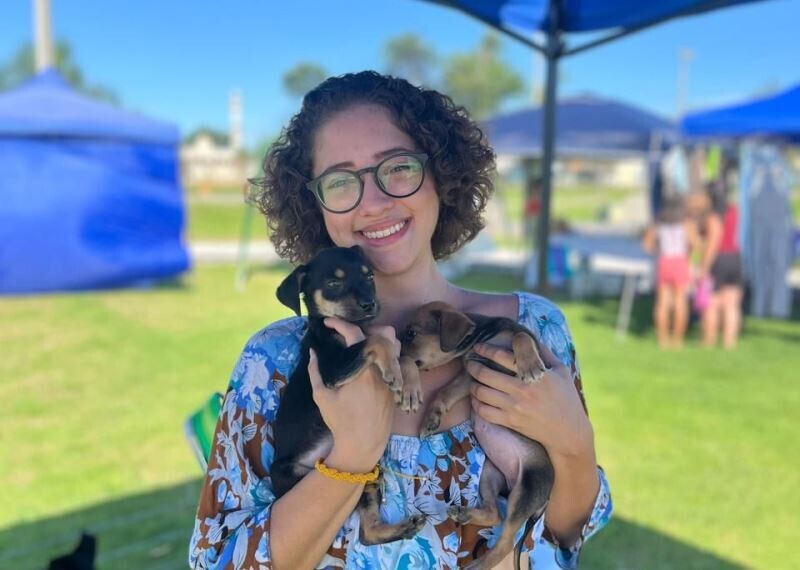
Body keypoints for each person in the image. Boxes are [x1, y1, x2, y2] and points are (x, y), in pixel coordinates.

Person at [189, 71, 612, 570]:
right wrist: (351, 456)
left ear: (442, 175)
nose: (373, 201)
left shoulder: (535, 329)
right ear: (314, 203)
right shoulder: (273, 363)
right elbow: (219, 561)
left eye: (399, 167)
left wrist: (575, 445)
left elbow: (564, 538)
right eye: (341, 181)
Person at [642, 196, 700, 348]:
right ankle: (677, 339)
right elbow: (695, 242)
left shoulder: (658, 223)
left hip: (664, 260)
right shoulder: (686, 223)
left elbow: (647, 245)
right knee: (680, 301)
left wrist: (658, 249)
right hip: (680, 260)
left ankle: (663, 338)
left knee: (663, 302)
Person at [703, 178, 744, 349]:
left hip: (720, 258)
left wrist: (704, 268)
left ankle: (709, 341)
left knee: (712, 303)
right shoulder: (735, 211)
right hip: (736, 258)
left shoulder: (714, 217)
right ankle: (729, 342)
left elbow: (713, 243)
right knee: (732, 304)